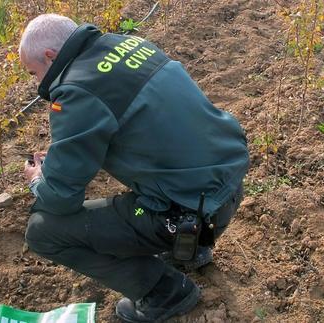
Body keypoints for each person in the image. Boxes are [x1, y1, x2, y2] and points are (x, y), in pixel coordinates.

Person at [19, 14, 249, 322]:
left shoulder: (75, 90)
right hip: (228, 185)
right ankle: (192, 250)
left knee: (42, 231)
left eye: (34, 73)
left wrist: (38, 180)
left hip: (186, 214)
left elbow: (62, 198)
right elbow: (139, 127)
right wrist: (67, 153)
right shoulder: (130, 44)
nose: (38, 83)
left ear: (51, 56)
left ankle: (165, 291)